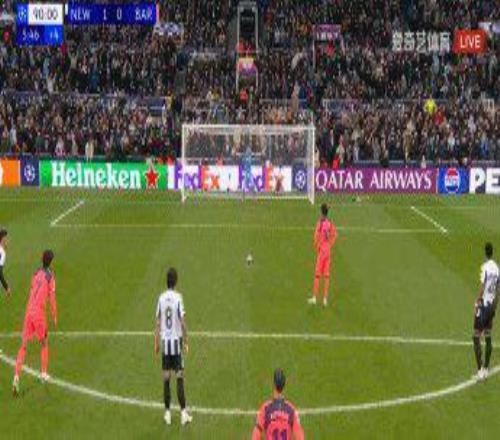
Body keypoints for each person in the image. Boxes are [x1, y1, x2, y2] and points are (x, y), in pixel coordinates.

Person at [13, 250, 57, 395]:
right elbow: (52, 299)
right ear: (51, 262)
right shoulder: (50, 277)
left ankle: (16, 376)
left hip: (29, 311)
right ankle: (43, 373)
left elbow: (33, 289)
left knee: (23, 346)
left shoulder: (36, 272)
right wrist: (54, 316)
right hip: (38, 313)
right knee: (44, 342)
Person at [154, 267, 192, 426]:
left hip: (165, 344)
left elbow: (158, 322)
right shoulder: (178, 298)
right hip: (176, 343)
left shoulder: (161, 298)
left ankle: (167, 413)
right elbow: (182, 321)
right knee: (179, 376)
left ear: (166, 281)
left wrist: (156, 342)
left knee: (166, 378)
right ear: (175, 281)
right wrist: (186, 340)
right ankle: (183, 413)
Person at [252, 368, 304, 440]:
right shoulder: (291, 409)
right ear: (284, 384)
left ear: (274, 384)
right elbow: (300, 436)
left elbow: (256, 434)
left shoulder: (265, 408)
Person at [473, 242, 499, 380]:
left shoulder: (485, 268)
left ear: (485, 252)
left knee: (476, 336)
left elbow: (483, 286)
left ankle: (480, 371)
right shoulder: (497, 269)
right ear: (492, 252)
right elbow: (498, 290)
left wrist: (478, 302)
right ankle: (486, 368)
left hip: (484, 305)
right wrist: (495, 306)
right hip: (492, 306)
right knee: (488, 335)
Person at [308, 203, 337, 307]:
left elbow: (315, 237)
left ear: (321, 212)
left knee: (317, 275)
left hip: (321, 252)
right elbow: (335, 235)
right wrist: (330, 245)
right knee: (326, 275)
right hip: (328, 251)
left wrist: (317, 247)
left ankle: (314, 298)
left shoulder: (320, 223)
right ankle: (325, 299)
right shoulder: (330, 223)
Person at [0, 228, 11, 297]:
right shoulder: (2, 252)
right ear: (3, 238)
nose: (8, 240)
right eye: (7, 238)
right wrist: (6, 287)